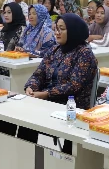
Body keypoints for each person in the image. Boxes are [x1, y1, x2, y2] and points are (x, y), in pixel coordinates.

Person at [20, 14, 98, 153]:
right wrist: (31, 87)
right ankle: (25, 157)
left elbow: (74, 85)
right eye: (56, 28)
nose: (57, 32)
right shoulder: (54, 50)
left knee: (30, 118)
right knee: (21, 118)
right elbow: (39, 74)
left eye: (62, 29)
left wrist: (46, 94)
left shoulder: (84, 54)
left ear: (73, 31)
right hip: (47, 101)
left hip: (71, 106)